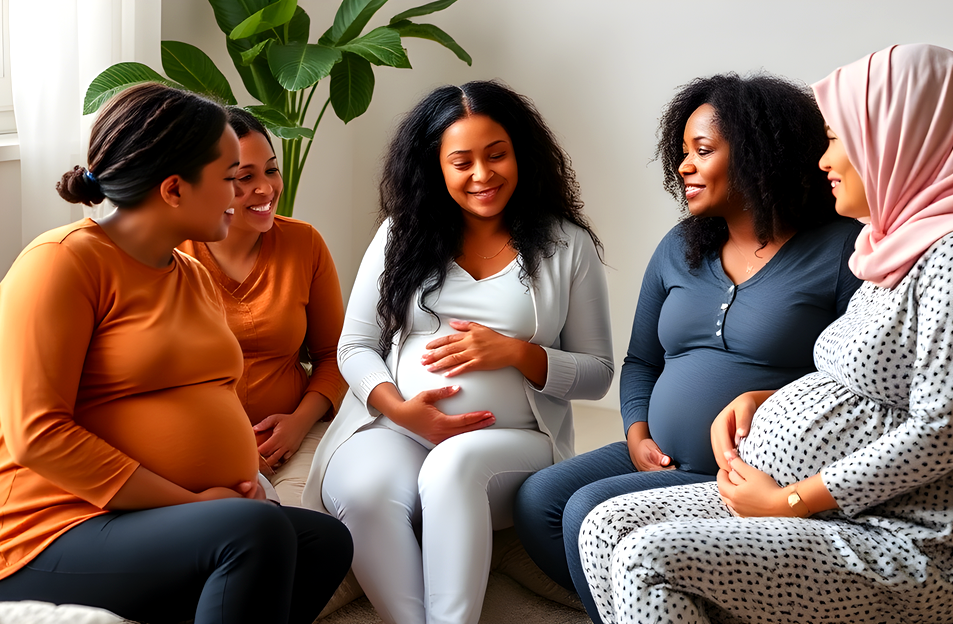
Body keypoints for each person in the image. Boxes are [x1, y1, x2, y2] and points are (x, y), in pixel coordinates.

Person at [578, 43, 953, 624]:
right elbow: (867, 383)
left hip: (925, 537)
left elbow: (943, 430)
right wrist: (765, 401)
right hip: (841, 510)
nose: (823, 159)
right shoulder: (897, 247)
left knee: (646, 556)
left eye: (839, 138)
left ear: (899, 137)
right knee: (605, 525)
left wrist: (789, 500)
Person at [0, 83, 352, 624]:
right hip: (55, 526)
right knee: (252, 533)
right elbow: (37, 433)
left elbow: (206, 402)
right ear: (173, 190)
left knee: (323, 541)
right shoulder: (61, 263)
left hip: (164, 519)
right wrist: (196, 506)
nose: (242, 193)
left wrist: (241, 482)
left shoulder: (189, 273)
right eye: (230, 177)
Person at [514, 73, 862, 620]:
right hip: (662, 456)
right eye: (682, 152)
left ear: (759, 156)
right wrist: (636, 434)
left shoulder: (842, 250)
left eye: (703, 151)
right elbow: (641, 362)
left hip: (753, 470)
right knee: (540, 500)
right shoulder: (680, 247)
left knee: (584, 509)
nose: (683, 166)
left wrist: (766, 400)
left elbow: (855, 383)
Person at [301, 79, 614, 624]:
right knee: (363, 488)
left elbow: (598, 374)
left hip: (513, 442)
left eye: (497, 155)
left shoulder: (568, 245)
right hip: (395, 427)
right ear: (435, 167)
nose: (482, 175)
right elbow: (354, 346)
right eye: (461, 161)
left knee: (453, 465)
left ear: (522, 155)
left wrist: (518, 353)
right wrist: (399, 409)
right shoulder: (402, 234)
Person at [180, 108, 347, 506]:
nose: (266, 189)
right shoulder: (174, 255)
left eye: (270, 170)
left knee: (308, 525)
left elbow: (335, 356)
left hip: (296, 440)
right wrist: (231, 448)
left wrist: (297, 424)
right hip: (202, 453)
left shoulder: (305, 243)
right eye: (244, 178)